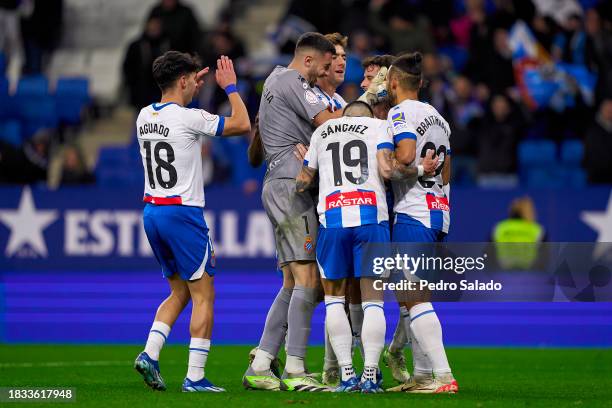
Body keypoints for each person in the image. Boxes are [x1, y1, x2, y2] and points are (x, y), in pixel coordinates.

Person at [296, 100, 437, 393]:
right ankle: (370, 374)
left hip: (333, 220)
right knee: (374, 299)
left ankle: (347, 373)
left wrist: (309, 169)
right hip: (372, 219)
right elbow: (390, 170)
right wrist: (422, 168)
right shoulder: (379, 126)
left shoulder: (323, 132)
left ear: (344, 116)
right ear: (369, 116)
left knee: (335, 300)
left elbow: (303, 181)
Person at [133, 51, 250, 393]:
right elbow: (242, 123)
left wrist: (187, 89)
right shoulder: (191, 117)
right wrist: (230, 87)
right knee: (204, 295)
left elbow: (172, 114)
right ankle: (195, 377)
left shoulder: (143, 116)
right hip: (183, 213)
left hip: (152, 211)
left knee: (179, 291)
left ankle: (150, 354)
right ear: (183, 80)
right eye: (191, 80)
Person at [243, 32, 341, 392]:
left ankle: (264, 360)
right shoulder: (292, 80)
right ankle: (296, 369)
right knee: (306, 279)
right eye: (326, 65)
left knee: (295, 282)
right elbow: (333, 125)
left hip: (285, 183)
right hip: (290, 184)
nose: (325, 73)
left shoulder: (276, 80)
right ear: (310, 61)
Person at [384, 52, 458, 393]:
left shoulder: (400, 112)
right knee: (416, 294)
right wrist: (444, 206)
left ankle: (443, 376)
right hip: (437, 210)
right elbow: (446, 170)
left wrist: (388, 161)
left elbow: (407, 156)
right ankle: (423, 374)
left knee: (412, 295)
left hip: (413, 211)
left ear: (393, 83)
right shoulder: (439, 118)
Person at [123, 16, 171, 111]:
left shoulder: (167, 45)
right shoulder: (136, 46)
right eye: (152, 26)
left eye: (157, 26)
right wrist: (133, 86)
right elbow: (127, 68)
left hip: (162, 93)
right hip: (141, 93)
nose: (154, 29)